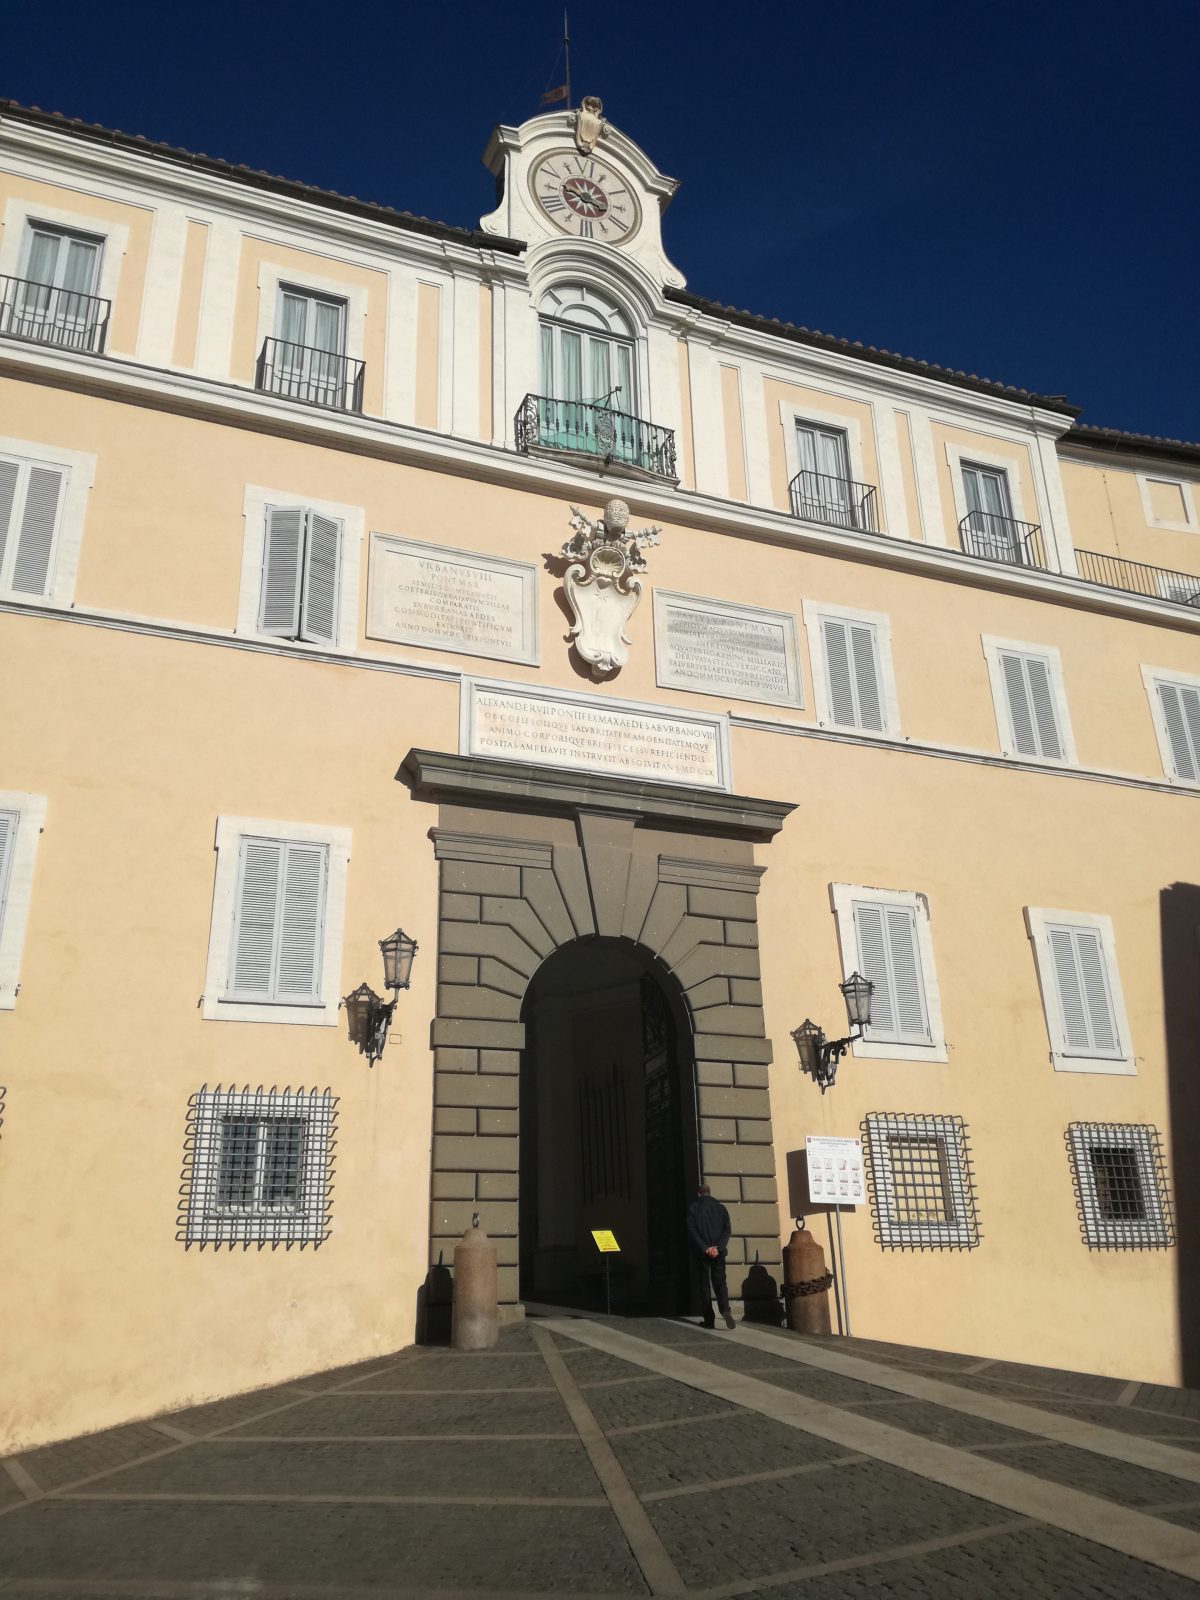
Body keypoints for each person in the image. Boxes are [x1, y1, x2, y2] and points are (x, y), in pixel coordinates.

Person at [687, 1184, 735, 1329]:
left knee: (704, 1286)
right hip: (718, 1253)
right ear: (709, 1193)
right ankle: (725, 1309)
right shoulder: (721, 1209)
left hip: (702, 1254)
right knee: (720, 1283)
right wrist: (718, 1248)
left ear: (699, 1194)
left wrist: (705, 1248)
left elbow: (691, 1231)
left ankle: (709, 1319)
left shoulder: (693, 1209)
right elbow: (727, 1230)